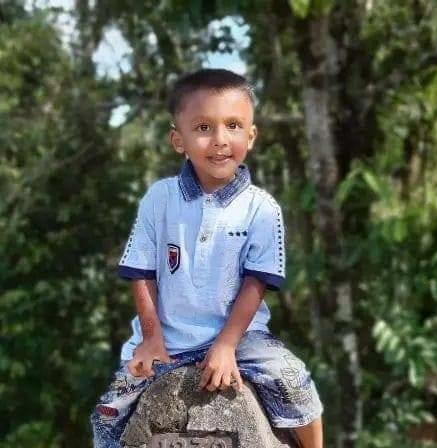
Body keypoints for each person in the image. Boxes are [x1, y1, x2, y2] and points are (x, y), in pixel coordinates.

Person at [91, 68, 323, 447]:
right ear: (178, 139)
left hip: (242, 338)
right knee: (106, 414)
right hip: (167, 338)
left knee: (297, 384)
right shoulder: (160, 199)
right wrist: (151, 339)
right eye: (203, 128)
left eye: (233, 126)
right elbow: (141, 271)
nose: (220, 140)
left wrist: (227, 345)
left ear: (251, 135)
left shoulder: (261, 208)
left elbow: (257, 282)